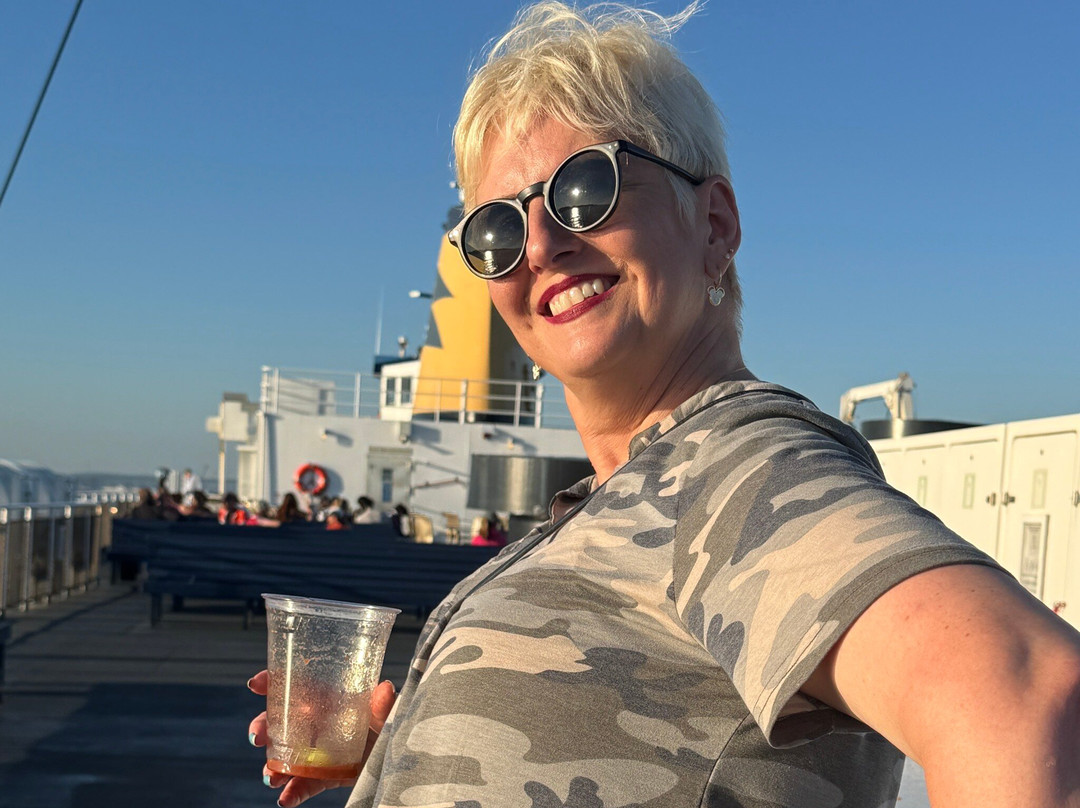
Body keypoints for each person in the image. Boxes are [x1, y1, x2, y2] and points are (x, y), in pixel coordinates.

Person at [248, 4, 1080, 807]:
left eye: (586, 188)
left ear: (713, 224)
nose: (540, 247)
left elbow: (1029, 697)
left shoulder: (735, 470)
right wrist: (420, 750)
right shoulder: (620, 497)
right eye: (497, 231)